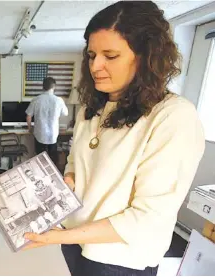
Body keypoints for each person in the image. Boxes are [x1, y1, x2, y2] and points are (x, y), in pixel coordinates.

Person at [23, 1, 205, 276]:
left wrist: (56, 236)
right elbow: (75, 163)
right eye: (92, 55)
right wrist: (69, 180)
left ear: (146, 57)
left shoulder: (172, 116)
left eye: (110, 55)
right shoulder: (90, 110)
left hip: (120, 259)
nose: (96, 66)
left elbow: (148, 218)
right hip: (75, 242)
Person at [26, 77, 68, 166]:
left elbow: (29, 116)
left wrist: (30, 128)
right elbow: (65, 113)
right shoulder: (59, 100)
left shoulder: (36, 100)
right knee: (53, 159)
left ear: (43, 87)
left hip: (40, 134)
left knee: (39, 159)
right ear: (54, 87)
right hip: (53, 135)